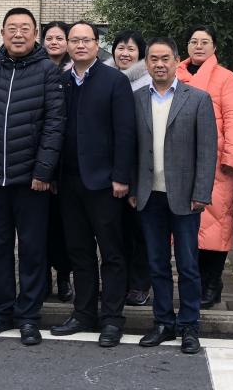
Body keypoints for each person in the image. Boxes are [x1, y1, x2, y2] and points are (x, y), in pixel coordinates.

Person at [0, 7, 65, 346]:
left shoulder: (47, 71)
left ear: (35, 34)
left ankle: (29, 316)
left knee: (33, 251)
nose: (18, 34)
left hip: (32, 181)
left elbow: (55, 124)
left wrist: (44, 170)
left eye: (24, 28)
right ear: (2, 33)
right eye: (11, 28)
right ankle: (0, 312)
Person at [50, 22, 135, 348]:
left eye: (87, 40)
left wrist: (121, 176)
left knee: (112, 253)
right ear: (68, 45)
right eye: (75, 40)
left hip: (105, 183)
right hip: (69, 182)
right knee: (79, 251)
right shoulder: (61, 81)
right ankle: (83, 313)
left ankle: (112, 318)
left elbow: (126, 132)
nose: (80, 45)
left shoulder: (114, 80)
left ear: (98, 44)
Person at [130, 37, 216, 355]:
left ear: (176, 60)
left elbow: (207, 151)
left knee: (188, 264)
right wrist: (132, 188)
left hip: (185, 195)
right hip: (148, 194)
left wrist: (202, 192)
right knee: (157, 263)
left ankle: (189, 324)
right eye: (153, 59)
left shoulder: (198, 99)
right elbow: (131, 147)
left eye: (165, 58)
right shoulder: (137, 99)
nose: (159, 64)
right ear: (147, 63)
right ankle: (163, 322)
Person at [176, 26, 233, 308]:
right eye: (193, 41)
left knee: (217, 225)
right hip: (180, 163)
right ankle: (195, 282)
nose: (198, 46)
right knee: (187, 228)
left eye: (205, 42)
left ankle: (212, 282)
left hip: (215, 163)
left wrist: (231, 156)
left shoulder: (226, 77)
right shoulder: (176, 74)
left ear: (214, 47)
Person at [107, 29, 152, 307]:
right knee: (114, 231)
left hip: (139, 167)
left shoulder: (147, 83)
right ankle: (118, 283)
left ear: (140, 54)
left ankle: (139, 283)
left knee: (139, 229)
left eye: (131, 49)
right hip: (109, 169)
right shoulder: (105, 78)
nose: (124, 53)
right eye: (120, 48)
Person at [39, 20, 73, 304]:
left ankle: (63, 276)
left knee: (64, 227)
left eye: (59, 38)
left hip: (67, 161)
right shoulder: (34, 69)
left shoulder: (76, 73)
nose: (54, 42)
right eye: (49, 38)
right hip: (37, 160)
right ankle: (42, 279)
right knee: (41, 228)